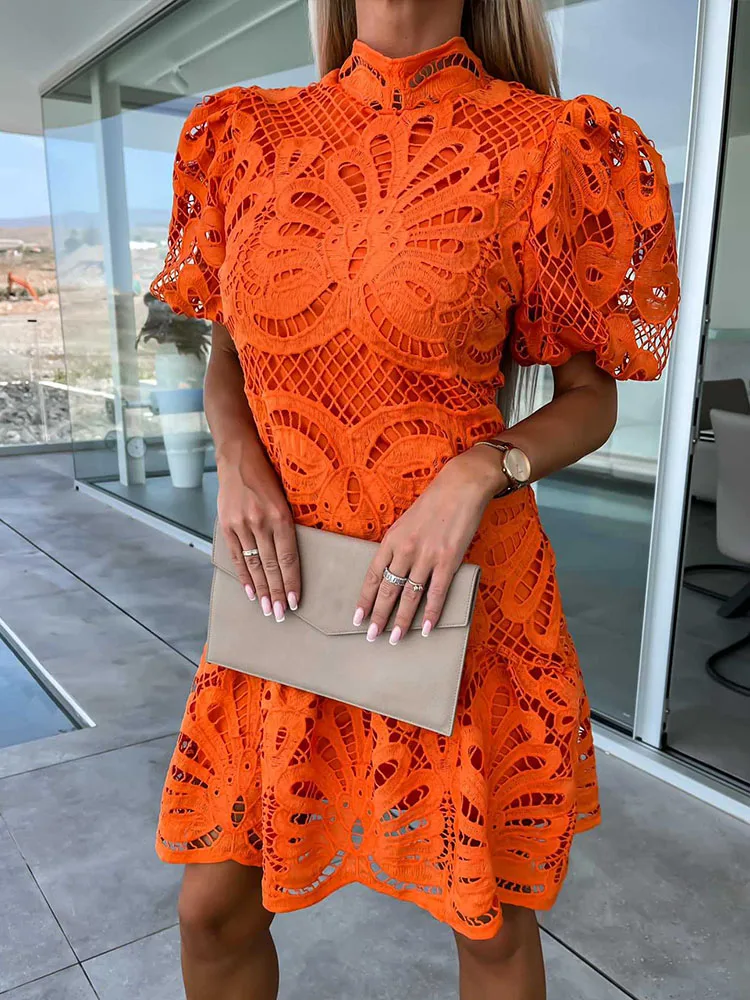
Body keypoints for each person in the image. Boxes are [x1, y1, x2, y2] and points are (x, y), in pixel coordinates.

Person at [149, 1, 680, 997]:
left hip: (457, 590)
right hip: (292, 591)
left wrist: (481, 470)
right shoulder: (245, 137)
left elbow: (592, 398)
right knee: (211, 909)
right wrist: (239, 460)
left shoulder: (547, 146)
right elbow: (228, 351)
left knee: (486, 924)